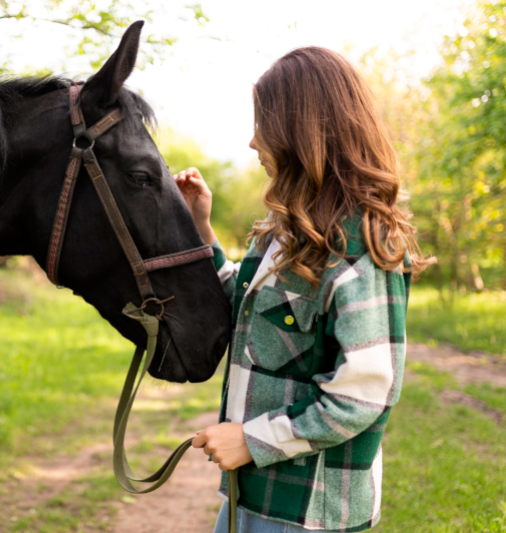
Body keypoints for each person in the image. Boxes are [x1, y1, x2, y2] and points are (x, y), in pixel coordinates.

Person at [175, 47, 429, 533]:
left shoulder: (360, 248)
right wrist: (201, 231)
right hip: (254, 496)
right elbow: (246, 311)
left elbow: (363, 396)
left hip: (310, 514)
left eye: (263, 125)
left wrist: (252, 441)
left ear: (302, 131)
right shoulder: (286, 232)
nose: (252, 142)